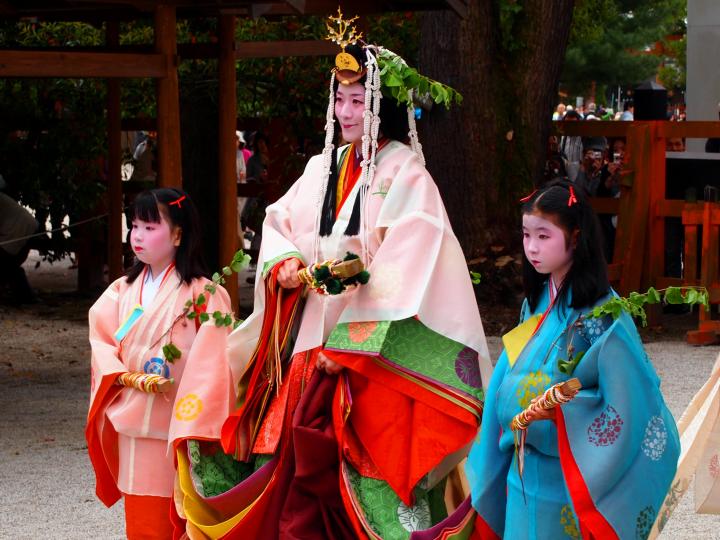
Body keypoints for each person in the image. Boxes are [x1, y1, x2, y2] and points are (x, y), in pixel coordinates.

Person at [173, 11, 491, 539]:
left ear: (380, 104)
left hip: (365, 352)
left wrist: (351, 327)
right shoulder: (322, 167)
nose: (345, 111)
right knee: (284, 452)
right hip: (307, 340)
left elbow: (414, 261)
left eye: (357, 98)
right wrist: (286, 265)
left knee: (365, 468)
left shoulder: (407, 174)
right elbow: (278, 223)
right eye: (339, 99)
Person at [465, 181, 680, 539]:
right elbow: (513, 374)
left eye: (544, 236)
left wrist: (564, 411)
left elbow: (632, 402)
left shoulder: (605, 314)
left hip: (566, 481)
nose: (532, 248)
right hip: (520, 474)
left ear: (576, 237)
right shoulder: (534, 303)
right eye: (526, 235)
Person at [86, 188, 232, 539]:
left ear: (178, 234)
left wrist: (192, 413)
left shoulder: (203, 293)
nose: (137, 236)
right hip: (132, 412)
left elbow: (215, 361)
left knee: (180, 515)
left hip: (177, 422)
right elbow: (101, 338)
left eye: (150, 227)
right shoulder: (122, 289)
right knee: (142, 515)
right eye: (135, 226)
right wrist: (122, 375)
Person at [0, 191, 39, 304]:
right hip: (21, 226)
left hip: (19, 228)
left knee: (6, 264)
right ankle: (25, 296)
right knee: (8, 264)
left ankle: (26, 296)